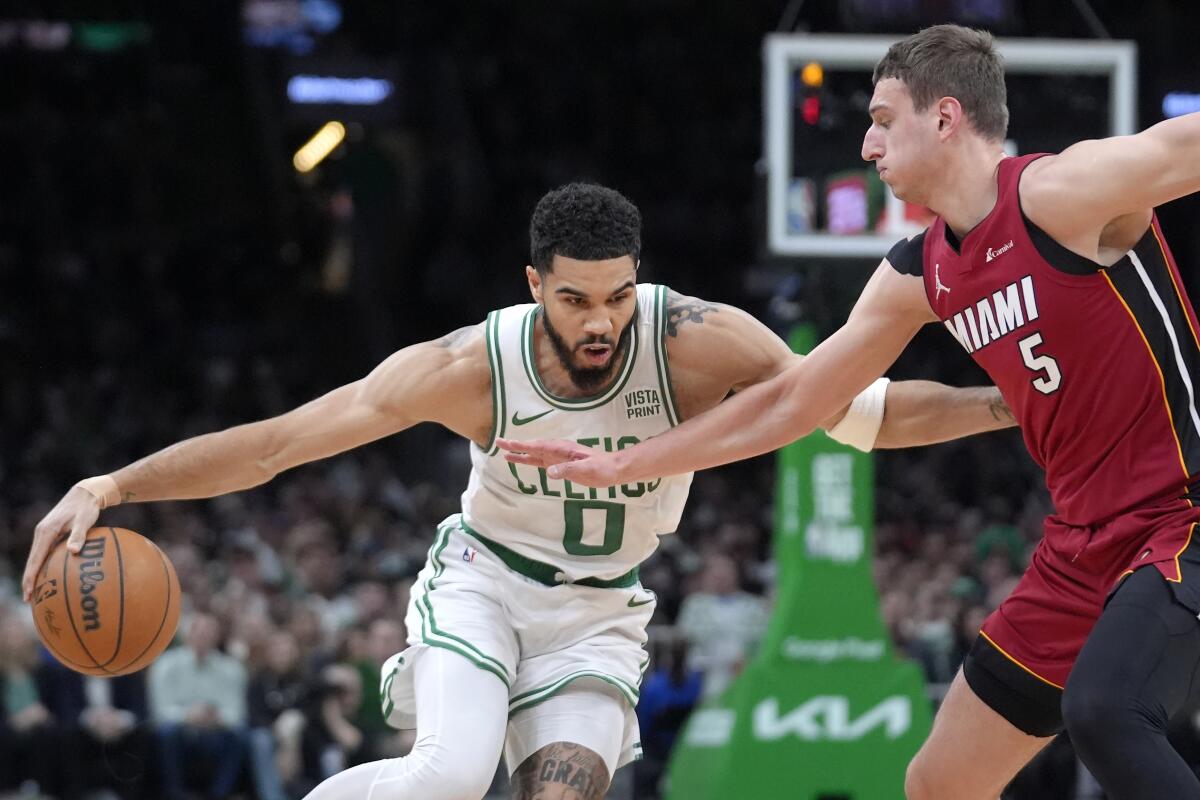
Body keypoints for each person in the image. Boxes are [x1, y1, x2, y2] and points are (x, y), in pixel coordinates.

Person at [25, 182, 1015, 800]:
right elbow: (280, 445)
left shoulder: (699, 341)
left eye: (620, 294)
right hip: (484, 586)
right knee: (449, 776)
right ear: (534, 281)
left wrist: (1015, 402)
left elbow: (872, 413)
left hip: (600, 612)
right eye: (576, 296)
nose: (602, 320)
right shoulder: (468, 365)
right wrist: (112, 482)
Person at [502, 26, 1200, 800]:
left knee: (1105, 712)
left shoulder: (1062, 192)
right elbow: (798, 400)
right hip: (1080, 547)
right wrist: (624, 462)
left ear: (943, 117)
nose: (866, 144)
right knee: (940, 783)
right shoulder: (918, 271)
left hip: (1184, 513)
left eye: (880, 118)